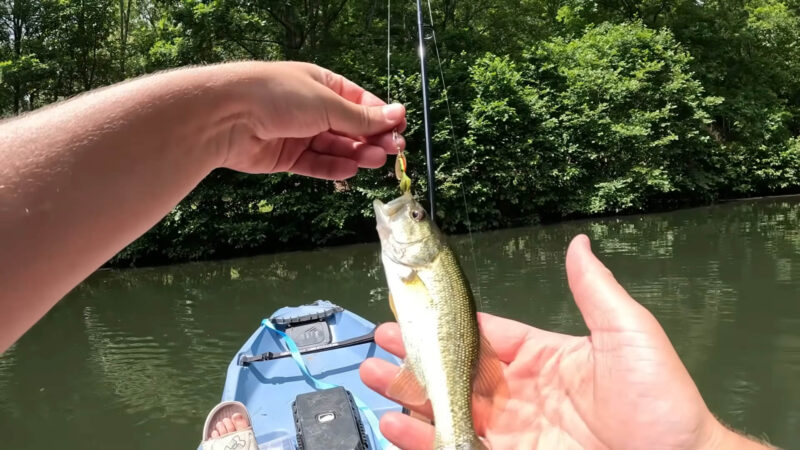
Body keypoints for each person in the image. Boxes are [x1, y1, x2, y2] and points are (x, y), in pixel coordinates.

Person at [0, 62, 773, 449]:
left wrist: (223, 115)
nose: (408, 219)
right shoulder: (413, 256)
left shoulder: (413, 257)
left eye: (417, 219)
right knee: (392, 362)